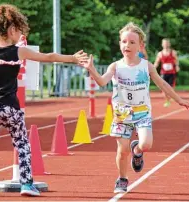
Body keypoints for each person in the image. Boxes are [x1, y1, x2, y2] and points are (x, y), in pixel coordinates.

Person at [0, 4, 88, 196]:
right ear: (12, 30)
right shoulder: (19, 52)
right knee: (22, 143)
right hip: (9, 108)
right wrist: (73, 59)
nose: (21, 35)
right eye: (20, 31)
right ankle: (26, 184)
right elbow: (48, 57)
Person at [80, 22, 189, 193]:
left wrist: (179, 100)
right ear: (120, 44)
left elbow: (162, 84)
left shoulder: (146, 66)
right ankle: (122, 179)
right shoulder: (115, 66)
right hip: (121, 115)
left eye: (132, 42)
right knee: (122, 150)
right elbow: (102, 81)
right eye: (124, 41)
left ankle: (137, 151)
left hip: (142, 113)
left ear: (140, 45)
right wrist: (92, 69)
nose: (127, 45)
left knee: (146, 144)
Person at [154, 38, 180, 107]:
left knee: (171, 88)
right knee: (164, 87)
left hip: (172, 73)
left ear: (169, 44)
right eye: (164, 43)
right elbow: (157, 62)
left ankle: (170, 98)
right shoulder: (160, 54)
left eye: (167, 43)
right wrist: (153, 69)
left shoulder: (173, 52)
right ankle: (167, 100)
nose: (165, 45)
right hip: (163, 73)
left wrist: (177, 66)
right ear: (162, 44)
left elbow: (176, 60)